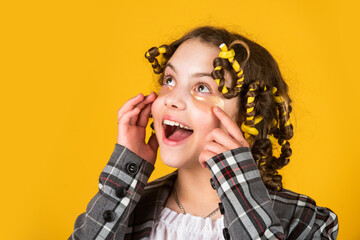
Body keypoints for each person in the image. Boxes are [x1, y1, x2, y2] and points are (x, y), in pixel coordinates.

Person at [69, 26, 339, 240]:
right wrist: (125, 172)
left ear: (249, 116)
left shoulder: (305, 220)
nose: (172, 99)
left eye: (202, 87)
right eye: (169, 80)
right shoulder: (124, 211)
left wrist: (236, 178)